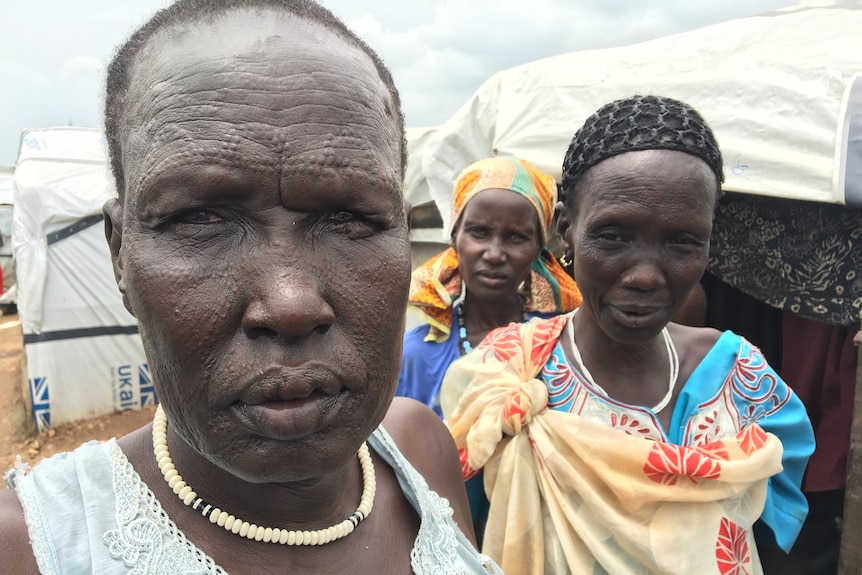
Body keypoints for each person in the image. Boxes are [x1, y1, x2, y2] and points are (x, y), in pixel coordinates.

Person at [0, 1, 502, 573]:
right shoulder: (31, 549)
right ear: (119, 253)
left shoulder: (419, 448)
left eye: (349, 219)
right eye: (201, 219)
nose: (291, 303)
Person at [441, 95, 815, 574]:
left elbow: (769, 531)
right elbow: (459, 536)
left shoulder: (742, 380)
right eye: (613, 235)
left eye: (682, 241)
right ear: (565, 231)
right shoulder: (504, 378)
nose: (645, 275)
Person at [397, 156, 581, 417]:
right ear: (454, 236)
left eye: (516, 237)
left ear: (538, 247)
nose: (494, 254)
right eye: (479, 232)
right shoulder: (416, 357)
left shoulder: (562, 343)